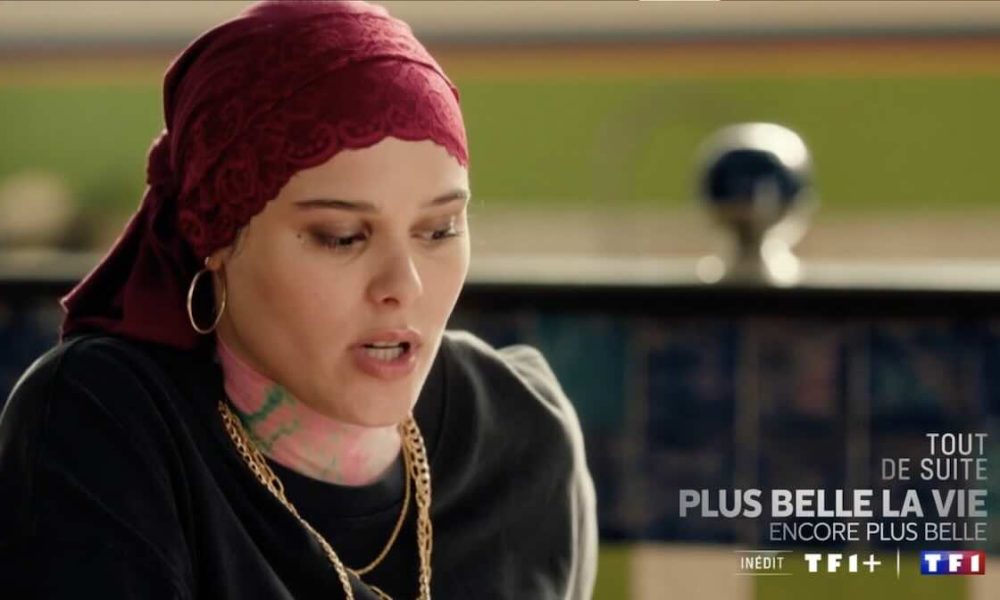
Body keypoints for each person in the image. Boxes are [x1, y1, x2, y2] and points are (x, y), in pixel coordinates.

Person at [0, 2, 597, 598]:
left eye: (439, 230)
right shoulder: (102, 423)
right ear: (217, 238)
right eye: (343, 237)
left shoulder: (524, 430)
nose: (405, 285)